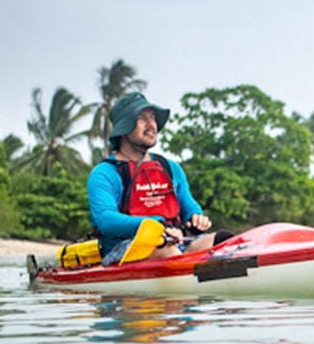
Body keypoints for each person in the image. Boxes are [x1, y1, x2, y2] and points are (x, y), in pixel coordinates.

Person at [88, 92, 217, 263]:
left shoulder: (171, 168)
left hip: (176, 242)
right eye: (142, 118)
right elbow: (106, 219)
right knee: (168, 252)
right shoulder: (104, 173)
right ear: (124, 128)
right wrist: (155, 224)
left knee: (222, 240)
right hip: (125, 247)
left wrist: (196, 216)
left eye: (153, 117)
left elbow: (190, 207)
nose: (151, 124)